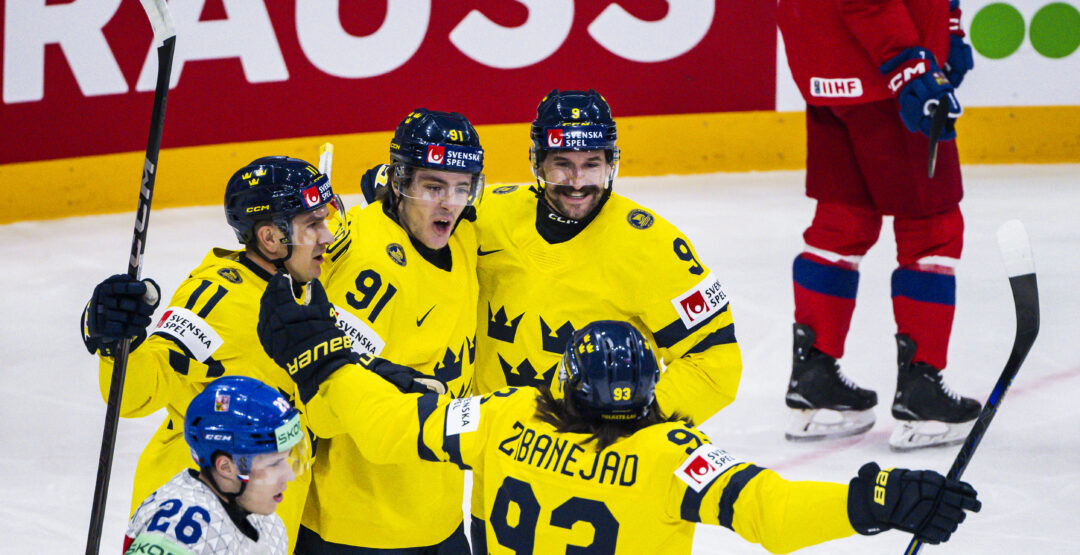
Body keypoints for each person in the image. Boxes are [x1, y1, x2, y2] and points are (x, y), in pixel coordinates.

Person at [256, 279, 981, 554]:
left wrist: (322, 359)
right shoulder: (671, 453)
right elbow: (773, 512)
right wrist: (877, 500)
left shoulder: (503, 420)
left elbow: (394, 421)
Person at [81, 155, 341, 551]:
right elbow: (138, 394)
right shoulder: (218, 299)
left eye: (327, 219)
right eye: (313, 225)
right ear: (271, 239)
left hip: (263, 516)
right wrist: (117, 343)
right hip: (195, 524)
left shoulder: (303, 283)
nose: (328, 236)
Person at [777, 0, 981, 448]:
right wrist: (908, 63)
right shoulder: (895, 65)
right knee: (932, 227)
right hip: (880, 73)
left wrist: (949, 32)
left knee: (841, 221)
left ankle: (816, 385)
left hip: (828, 68)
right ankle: (923, 397)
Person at [297, 109, 484, 552]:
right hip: (356, 528)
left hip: (437, 515)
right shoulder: (367, 266)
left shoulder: (462, 235)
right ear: (402, 184)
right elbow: (321, 400)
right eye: (433, 187)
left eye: (462, 188)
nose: (450, 204)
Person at [124, 375, 307, 554]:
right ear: (226, 467)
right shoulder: (179, 529)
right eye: (274, 464)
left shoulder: (270, 525)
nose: (289, 475)